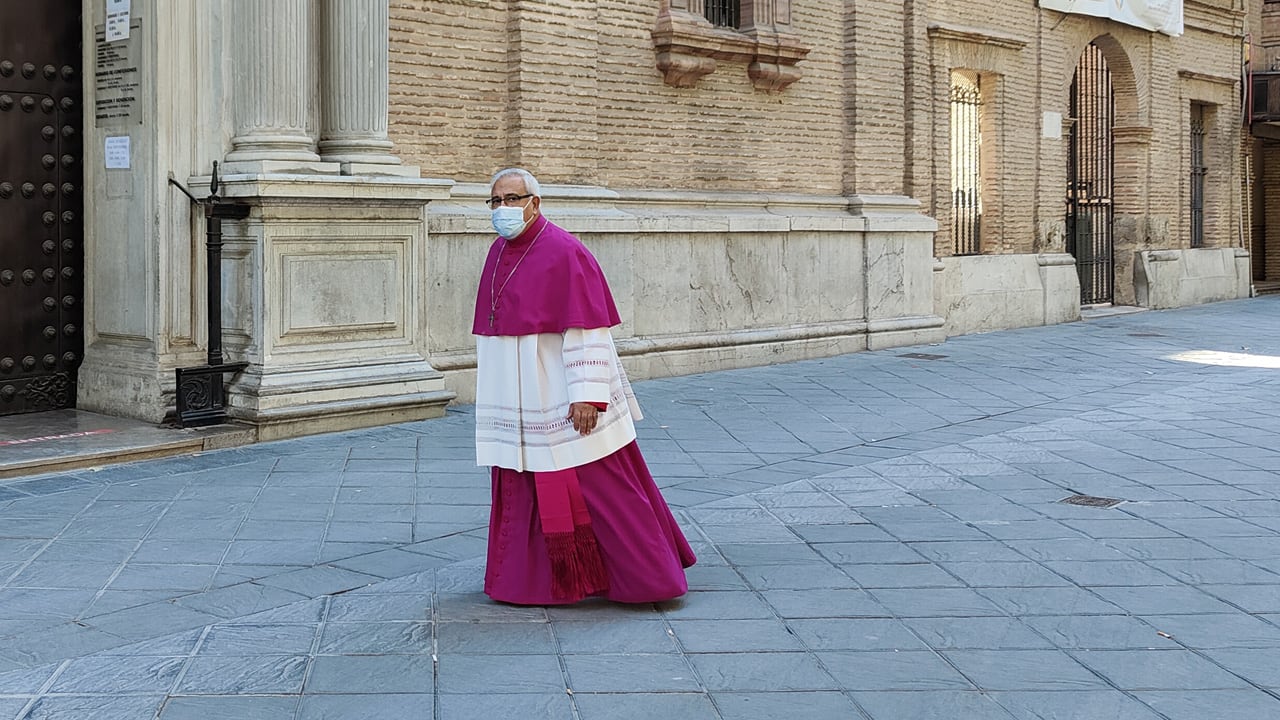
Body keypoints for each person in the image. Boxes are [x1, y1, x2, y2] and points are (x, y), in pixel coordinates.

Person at [472, 167, 696, 605]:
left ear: (535, 203)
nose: (503, 210)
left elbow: (587, 330)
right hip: (518, 399)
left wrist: (587, 396)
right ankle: (532, 582)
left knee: (604, 489)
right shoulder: (497, 252)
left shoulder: (564, 251)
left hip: (560, 394)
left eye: (513, 199)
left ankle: (649, 578)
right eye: (495, 202)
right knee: (524, 487)